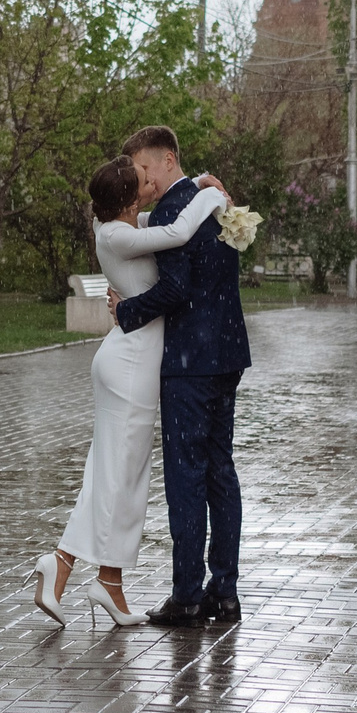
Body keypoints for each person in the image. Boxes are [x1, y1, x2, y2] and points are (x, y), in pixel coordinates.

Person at [30, 155, 229, 628]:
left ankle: (101, 579)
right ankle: (64, 564)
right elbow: (178, 232)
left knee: (116, 474)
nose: (150, 184)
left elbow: (166, 219)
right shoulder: (118, 233)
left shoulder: (122, 226)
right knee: (120, 478)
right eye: (142, 181)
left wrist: (196, 180)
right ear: (126, 197)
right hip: (131, 363)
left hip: (128, 358)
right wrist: (212, 196)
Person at [107, 125, 250, 629]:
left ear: (168, 161)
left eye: (144, 170)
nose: (139, 180)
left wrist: (127, 310)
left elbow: (176, 290)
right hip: (227, 354)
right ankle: (225, 592)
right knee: (220, 472)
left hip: (190, 361)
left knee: (187, 478)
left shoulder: (175, 211)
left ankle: (188, 595)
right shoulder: (212, 202)